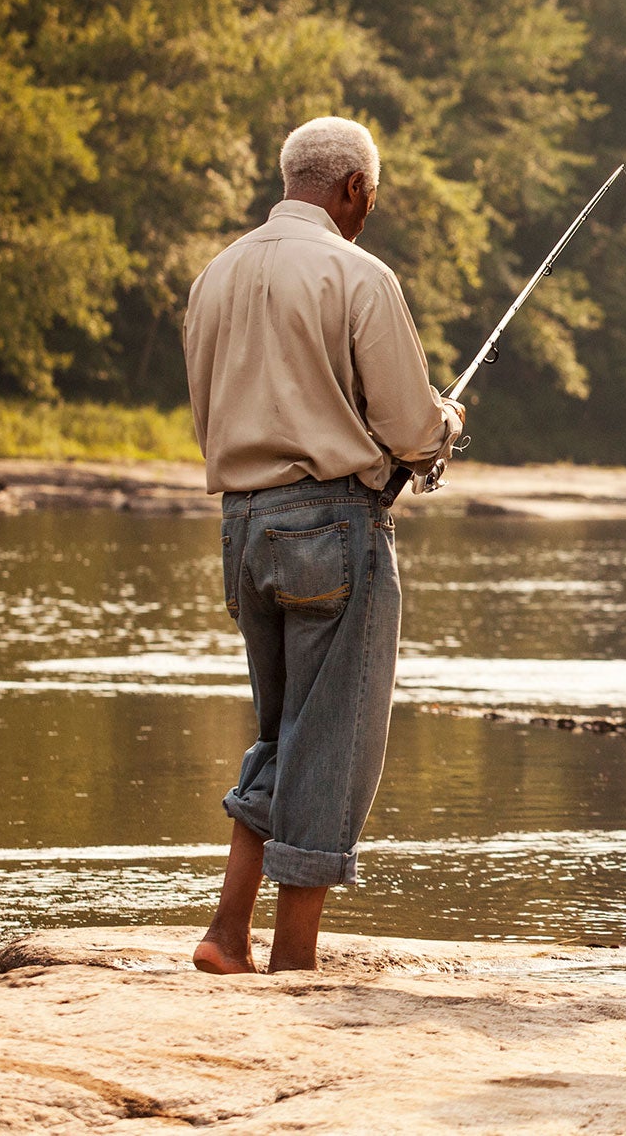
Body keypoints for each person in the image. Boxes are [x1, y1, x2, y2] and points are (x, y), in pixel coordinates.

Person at [181, 116, 464, 974]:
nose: (367, 209)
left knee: (281, 729)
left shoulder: (214, 276)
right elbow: (410, 426)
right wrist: (444, 425)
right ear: (352, 189)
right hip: (334, 527)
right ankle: (292, 954)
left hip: (242, 526)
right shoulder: (359, 274)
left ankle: (228, 932)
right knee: (331, 737)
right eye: (369, 196)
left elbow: (205, 410)